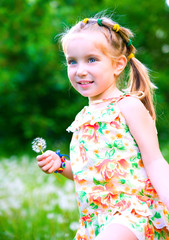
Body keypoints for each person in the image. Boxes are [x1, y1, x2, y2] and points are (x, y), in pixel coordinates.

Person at [36, 14, 169, 240]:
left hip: (133, 213)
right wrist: (60, 165)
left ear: (118, 65)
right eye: (72, 61)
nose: (80, 70)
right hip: (95, 220)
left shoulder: (128, 106)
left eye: (92, 60)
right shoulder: (82, 118)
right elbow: (85, 173)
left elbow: (155, 161)